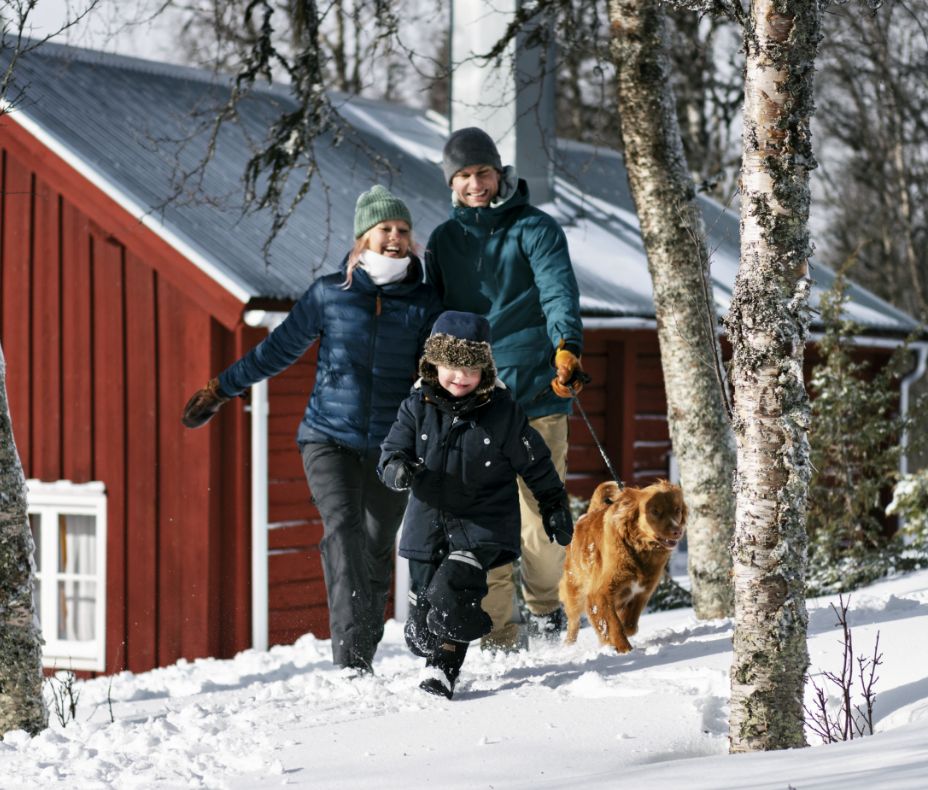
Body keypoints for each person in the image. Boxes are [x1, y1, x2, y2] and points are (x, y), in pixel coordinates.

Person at [181, 185, 443, 674]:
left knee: (377, 545)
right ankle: (352, 662)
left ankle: (361, 643)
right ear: (362, 238)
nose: (394, 238)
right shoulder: (331, 294)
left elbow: (437, 375)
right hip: (328, 436)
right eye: (384, 229)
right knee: (342, 530)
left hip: (393, 446)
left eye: (403, 230)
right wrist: (222, 388)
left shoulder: (425, 302)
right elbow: (278, 349)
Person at [425, 127, 585, 650]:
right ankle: (496, 631)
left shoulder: (535, 229)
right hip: (469, 402)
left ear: (499, 173)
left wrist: (566, 345)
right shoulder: (444, 242)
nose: (475, 184)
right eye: (464, 175)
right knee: (480, 522)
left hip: (534, 393)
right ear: (452, 182)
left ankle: (543, 609)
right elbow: (432, 317)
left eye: (483, 172)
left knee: (539, 522)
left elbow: (558, 290)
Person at [379, 310, 573, 698]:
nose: (460, 378)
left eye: (471, 369)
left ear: (485, 369)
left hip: (482, 524)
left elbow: (534, 463)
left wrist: (553, 505)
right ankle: (423, 618)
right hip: (427, 521)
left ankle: (443, 668)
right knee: (424, 618)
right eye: (451, 366)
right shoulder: (416, 406)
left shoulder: (502, 412)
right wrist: (397, 469)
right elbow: (391, 451)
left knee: (457, 592)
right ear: (433, 362)